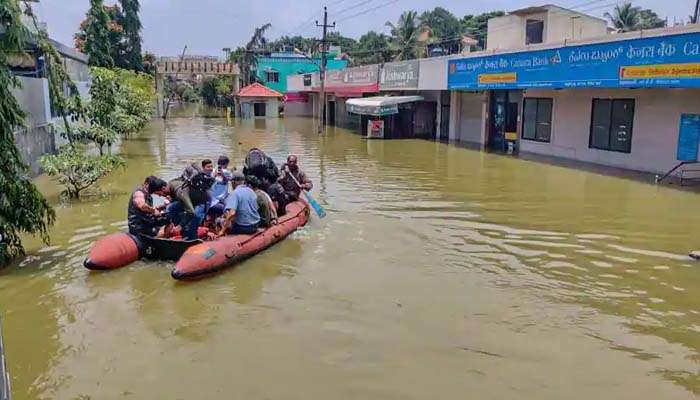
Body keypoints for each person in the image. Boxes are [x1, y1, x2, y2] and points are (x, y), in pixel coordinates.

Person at [166, 162, 214, 240]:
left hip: (203, 201)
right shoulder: (177, 182)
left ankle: (192, 237)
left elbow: (191, 212)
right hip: (191, 198)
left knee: (195, 218)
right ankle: (183, 231)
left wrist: (180, 226)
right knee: (170, 209)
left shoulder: (196, 181)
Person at [218, 171, 260, 236]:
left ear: (234, 182)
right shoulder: (251, 191)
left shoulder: (235, 193)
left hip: (244, 228)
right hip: (256, 225)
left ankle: (221, 236)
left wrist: (222, 230)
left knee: (218, 220)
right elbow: (255, 208)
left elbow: (232, 213)